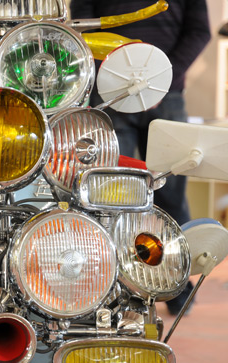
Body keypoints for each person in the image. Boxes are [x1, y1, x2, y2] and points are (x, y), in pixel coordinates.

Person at [70, 0, 212, 315]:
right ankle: (113, 288)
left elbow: (199, 31)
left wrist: (161, 80)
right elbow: (84, 29)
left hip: (167, 96)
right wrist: (118, 80)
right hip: (112, 94)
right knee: (110, 193)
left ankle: (177, 285)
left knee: (172, 194)